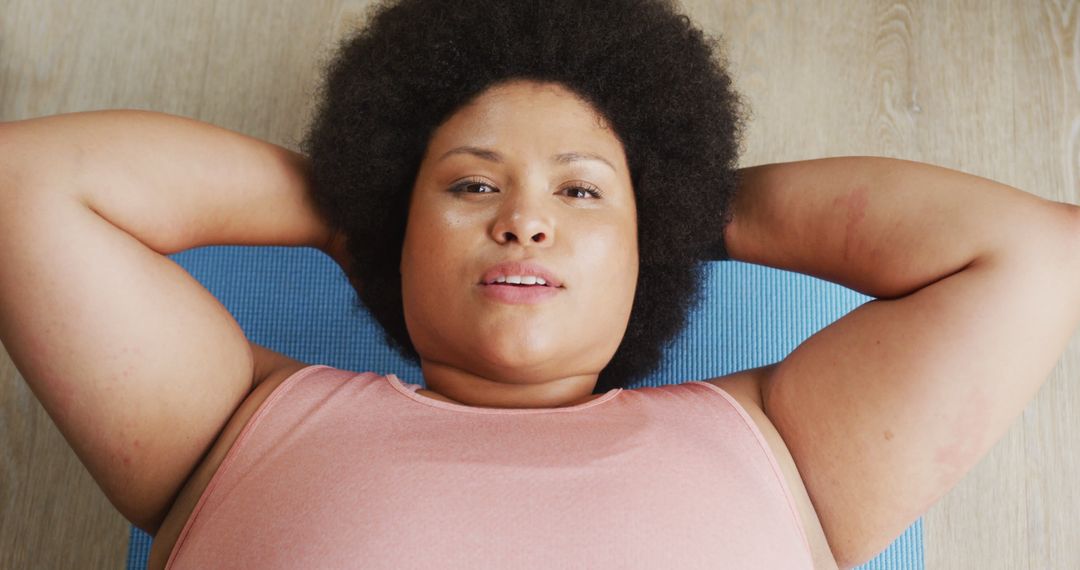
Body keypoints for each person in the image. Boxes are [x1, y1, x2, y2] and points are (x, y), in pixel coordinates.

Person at [1, 0, 1078, 568]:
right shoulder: (231, 424)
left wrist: (686, 200)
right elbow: (23, 185)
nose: (523, 217)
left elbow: (1033, 254)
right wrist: (356, 209)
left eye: (580, 194)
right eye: (471, 185)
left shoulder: (787, 452)